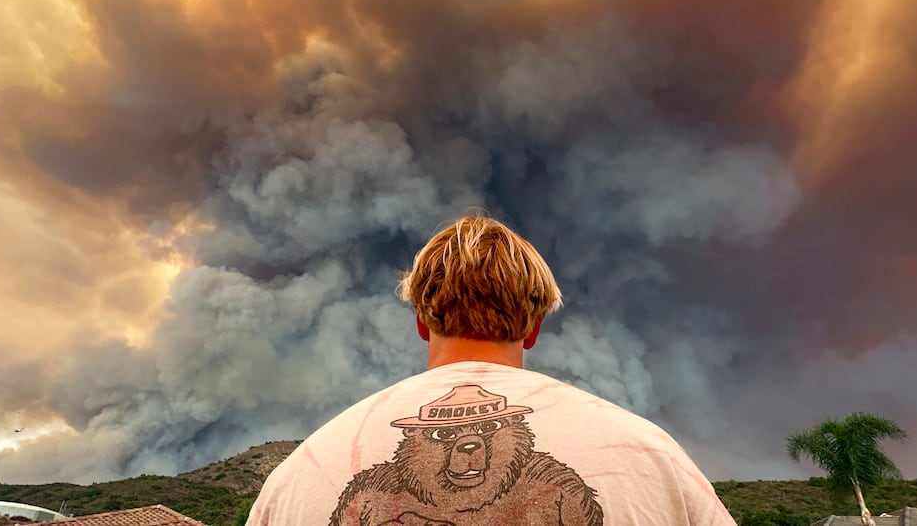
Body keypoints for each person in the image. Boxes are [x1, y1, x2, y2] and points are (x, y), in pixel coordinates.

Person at [247, 214, 736, 526]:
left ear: (421, 321)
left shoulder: (299, 478)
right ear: (534, 326)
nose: (469, 443)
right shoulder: (654, 461)